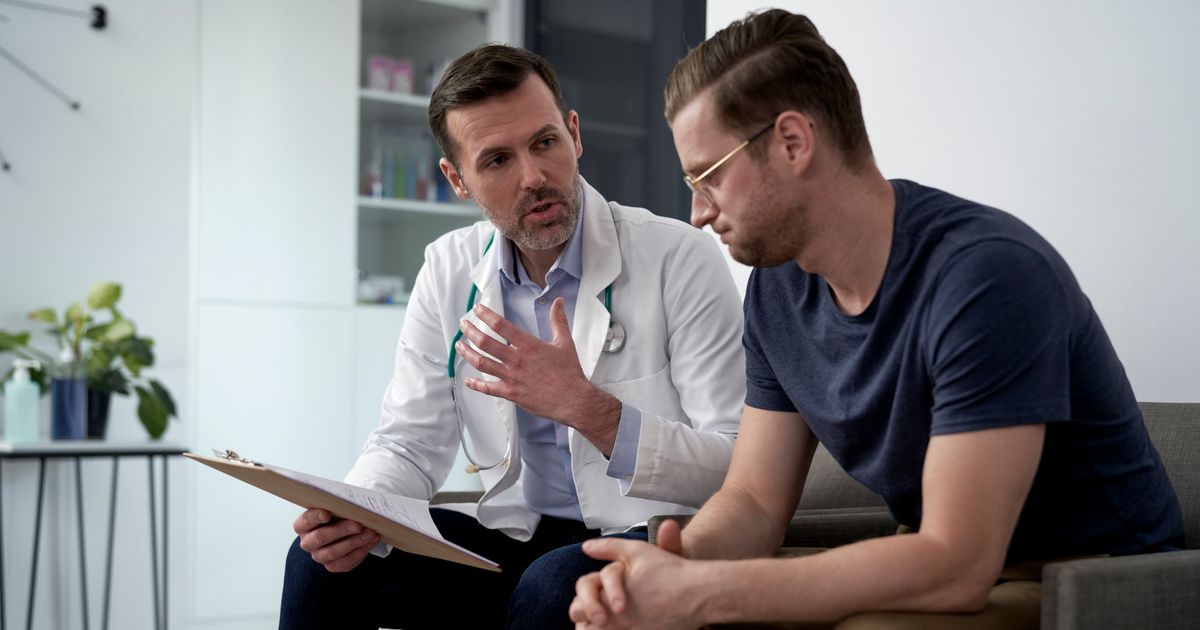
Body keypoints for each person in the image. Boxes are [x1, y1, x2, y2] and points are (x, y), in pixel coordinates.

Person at [569, 9, 1185, 629]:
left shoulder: (987, 278)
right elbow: (754, 499)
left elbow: (957, 561)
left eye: (708, 177)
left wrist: (705, 594)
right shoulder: (777, 291)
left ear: (792, 142)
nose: (698, 213)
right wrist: (676, 567)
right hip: (940, 561)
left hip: (1089, 579)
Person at [277, 44, 745, 630]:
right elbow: (408, 443)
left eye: (545, 142)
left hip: (646, 533)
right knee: (321, 562)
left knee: (552, 585)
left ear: (575, 135)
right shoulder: (448, 268)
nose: (534, 177)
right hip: (513, 540)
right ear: (458, 179)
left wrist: (590, 410)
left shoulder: (677, 257)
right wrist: (355, 511)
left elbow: (735, 464)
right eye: (497, 160)